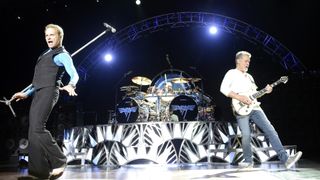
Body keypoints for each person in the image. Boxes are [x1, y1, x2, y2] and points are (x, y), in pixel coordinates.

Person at [12, 24, 79, 179]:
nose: (48, 37)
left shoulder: (62, 55)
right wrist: (26, 93)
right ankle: (38, 172)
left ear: (60, 36)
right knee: (32, 132)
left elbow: (74, 74)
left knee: (38, 127)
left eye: (52, 35)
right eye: (46, 35)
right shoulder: (45, 54)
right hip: (39, 92)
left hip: (50, 92)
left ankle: (60, 160)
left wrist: (71, 84)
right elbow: (38, 81)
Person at [220, 50, 302, 169]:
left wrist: (266, 91)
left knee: (271, 130)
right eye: (246, 61)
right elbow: (223, 89)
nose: (248, 63)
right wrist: (240, 97)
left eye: (249, 61)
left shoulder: (249, 77)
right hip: (240, 107)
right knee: (246, 135)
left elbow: (254, 94)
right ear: (238, 60)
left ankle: (286, 160)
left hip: (255, 107)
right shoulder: (231, 73)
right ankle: (248, 162)